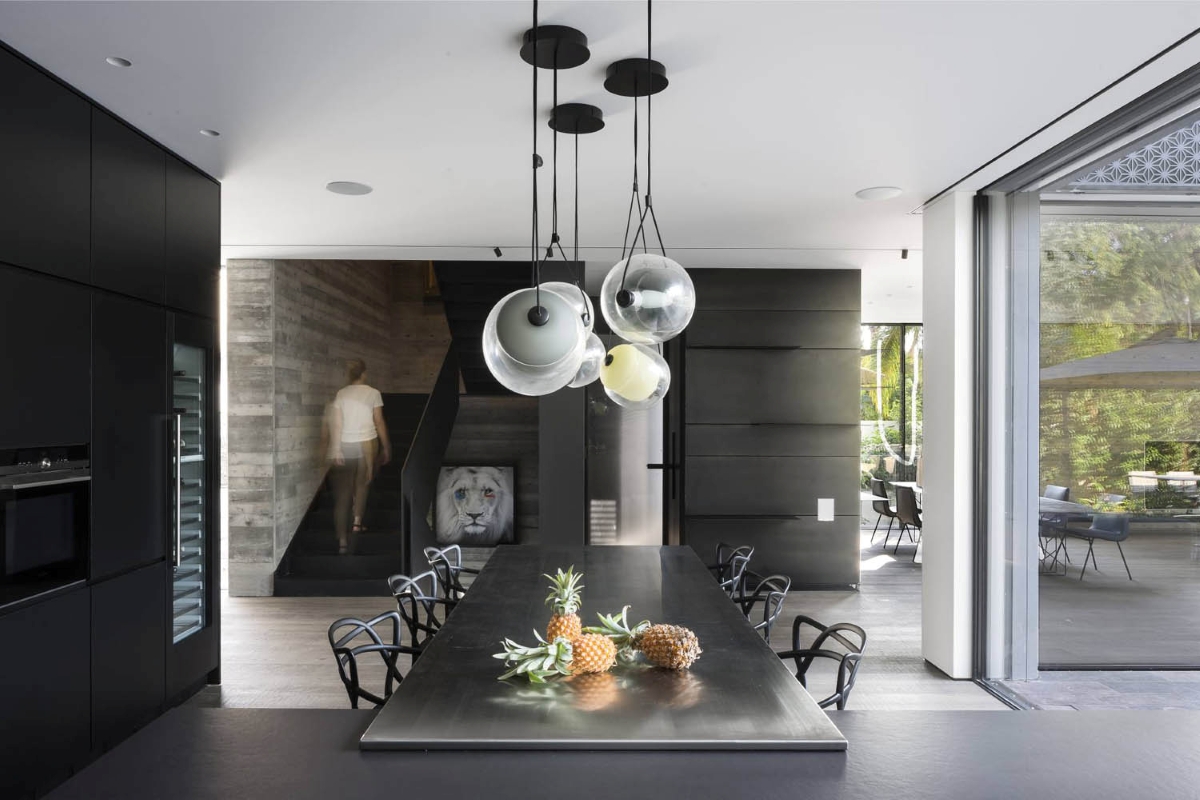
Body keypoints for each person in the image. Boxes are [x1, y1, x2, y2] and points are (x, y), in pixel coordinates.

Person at [328, 358, 391, 554]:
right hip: (367, 443)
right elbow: (378, 421)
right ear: (364, 374)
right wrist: (386, 445)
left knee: (344, 491)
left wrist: (336, 448)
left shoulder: (341, 394)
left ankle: (343, 541)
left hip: (346, 444)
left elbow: (337, 424)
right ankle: (356, 523)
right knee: (362, 483)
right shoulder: (373, 393)